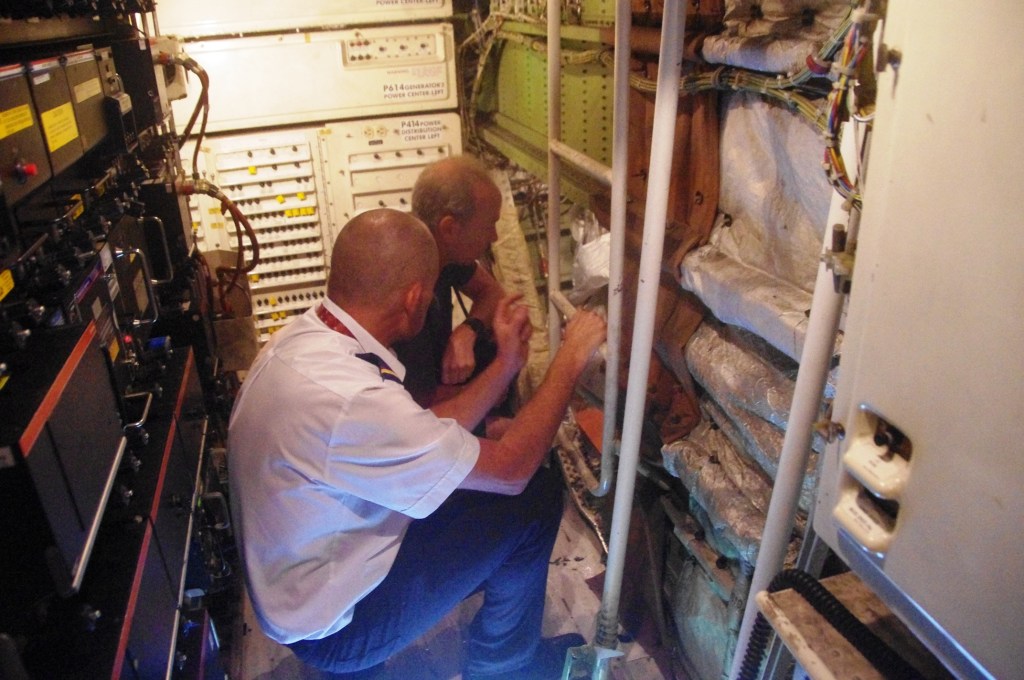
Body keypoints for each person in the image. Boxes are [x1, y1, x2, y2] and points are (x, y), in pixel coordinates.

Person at [227, 208, 607, 679]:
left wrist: (506, 364)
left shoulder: (308, 340)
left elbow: (416, 428)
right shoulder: (349, 399)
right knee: (534, 499)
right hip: (333, 628)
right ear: (414, 298)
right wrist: (571, 356)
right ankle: (505, 668)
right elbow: (512, 470)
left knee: (487, 490)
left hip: (296, 581)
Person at [393, 155, 508, 414]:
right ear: (450, 228)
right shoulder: (408, 293)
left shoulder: (441, 248)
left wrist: (467, 331)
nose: (494, 236)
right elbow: (418, 405)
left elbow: (492, 292)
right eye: (488, 225)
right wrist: (494, 384)